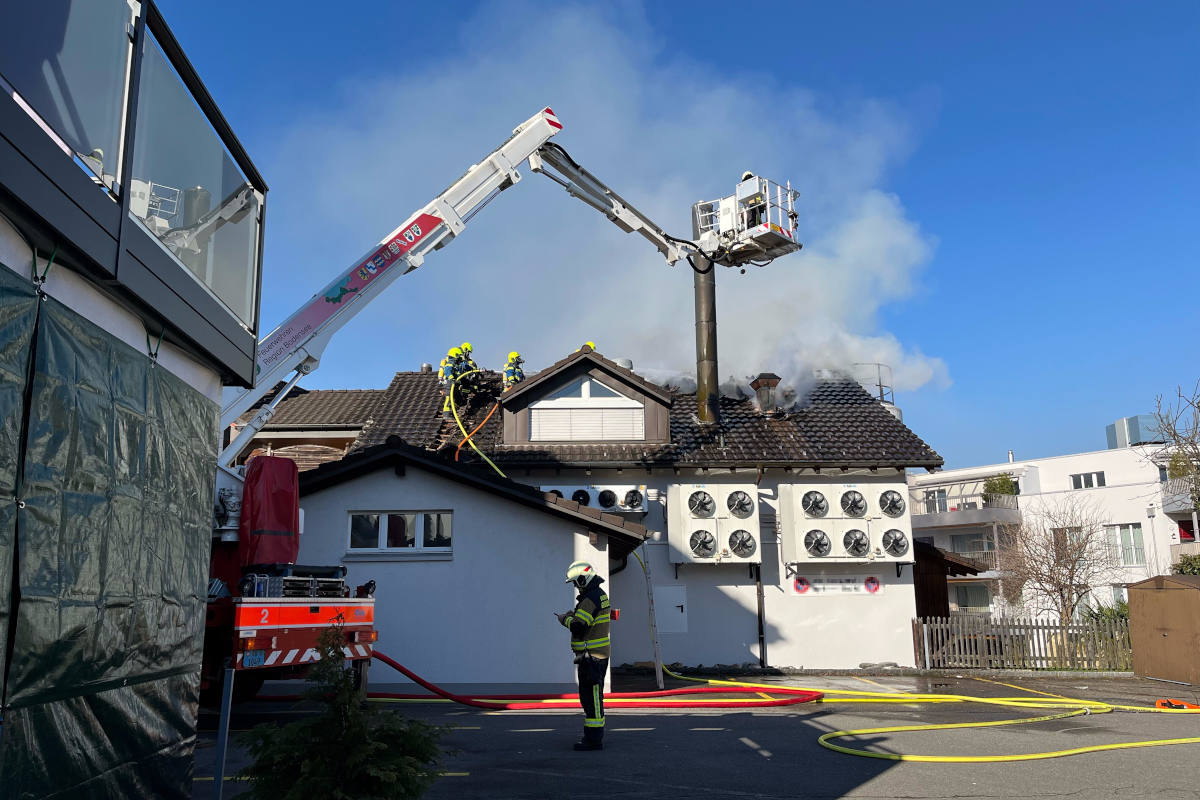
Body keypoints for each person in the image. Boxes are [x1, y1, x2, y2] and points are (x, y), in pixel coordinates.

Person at [556, 560, 610, 751]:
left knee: (592, 698)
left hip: (591, 658)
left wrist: (565, 619)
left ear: (583, 579)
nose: (575, 587)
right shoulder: (598, 596)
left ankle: (593, 740)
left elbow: (579, 627)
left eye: (575, 582)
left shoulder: (590, 600)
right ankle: (592, 737)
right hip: (594, 656)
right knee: (590, 697)